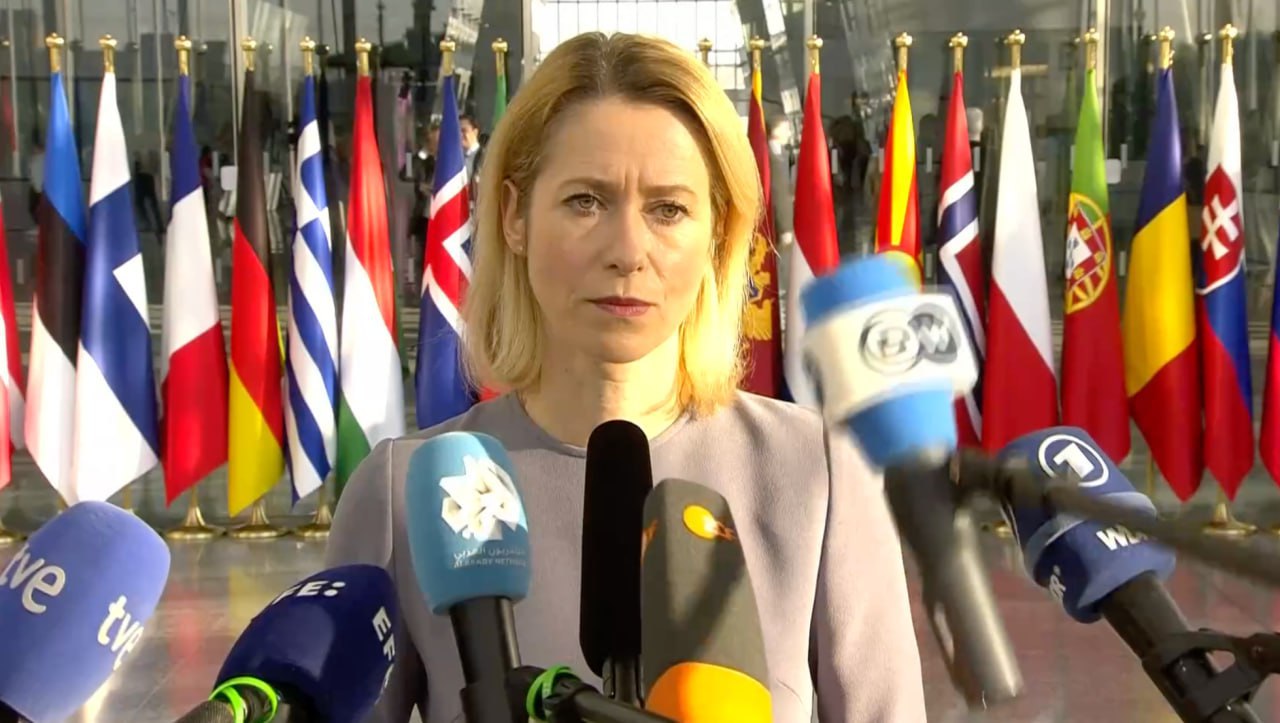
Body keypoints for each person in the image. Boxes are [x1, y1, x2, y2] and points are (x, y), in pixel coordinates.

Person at [326, 31, 925, 723]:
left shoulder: (819, 473)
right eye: (586, 201)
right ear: (515, 216)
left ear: (718, 234)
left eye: (669, 209)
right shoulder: (401, 493)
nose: (628, 250)